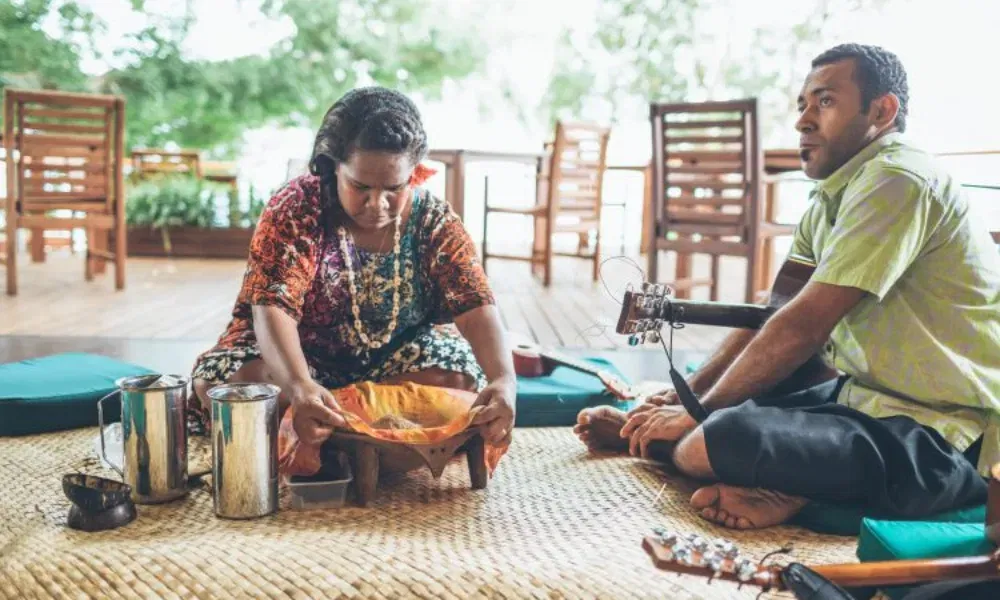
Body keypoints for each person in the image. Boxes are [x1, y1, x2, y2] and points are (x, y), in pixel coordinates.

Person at [575, 43, 1000, 529]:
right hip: (859, 398)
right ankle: (690, 445)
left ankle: (762, 479)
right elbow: (775, 309)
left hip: (946, 436)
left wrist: (699, 414)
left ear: (882, 111)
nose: (803, 120)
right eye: (802, 104)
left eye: (825, 101)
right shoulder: (831, 197)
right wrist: (684, 399)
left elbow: (803, 325)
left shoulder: (897, 179)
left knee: (715, 437)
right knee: (731, 407)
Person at [189, 87, 516, 448]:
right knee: (235, 385)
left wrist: (504, 380)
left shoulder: (434, 220)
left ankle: (331, 428)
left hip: (396, 360)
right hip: (296, 358)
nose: (377, 204)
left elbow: (476, 306)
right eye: (360, 186)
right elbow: (272, 309)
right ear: (333, 166)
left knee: (458, 380)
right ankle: (362, 428)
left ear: (415, 173)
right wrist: (299, 386)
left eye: (394, 188)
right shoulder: (296, 207)